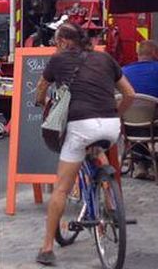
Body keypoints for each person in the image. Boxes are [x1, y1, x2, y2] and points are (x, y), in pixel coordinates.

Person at [33, 22, 135, 266]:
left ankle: (47, 248)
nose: (56, 47)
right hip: (110, 125)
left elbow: (41, 89)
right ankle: (110, 203)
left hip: (80, 126)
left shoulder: (58, 61)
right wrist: (116, 115)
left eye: (57, 43)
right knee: (98, 150)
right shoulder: (106, 58)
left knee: (61, 188)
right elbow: (130, 94)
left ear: (65, 43)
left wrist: (40, 102)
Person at [122, 40, 158, 179]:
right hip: (154, 126)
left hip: (128, 127)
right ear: (154, 53)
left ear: (138, 54)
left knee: (138, 116)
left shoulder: (123, 72)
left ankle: (141, 163)